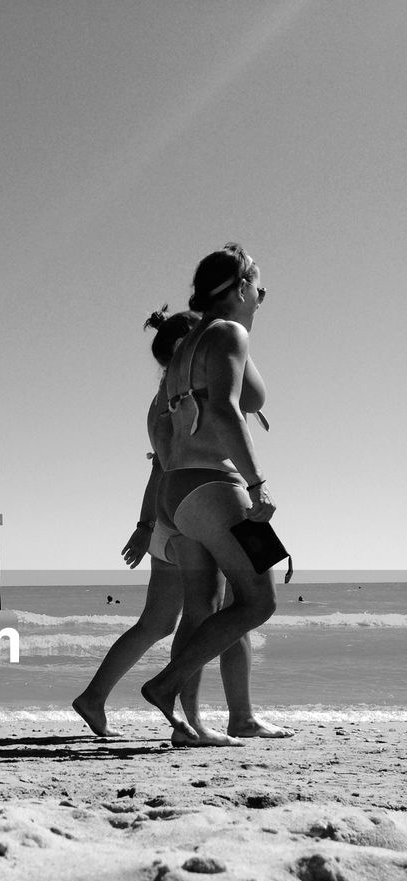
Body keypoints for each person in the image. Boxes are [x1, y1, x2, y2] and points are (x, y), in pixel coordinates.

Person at [73, 306, 291, 742]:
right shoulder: (198, 387)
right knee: (222, 608)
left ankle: (228, 715)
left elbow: (161, 469)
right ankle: (193, 717)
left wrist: (145, 524)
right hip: (213, 496)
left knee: (195, 615)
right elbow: (244, 402)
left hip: (174, 507)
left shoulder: (165, 399)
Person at [140, 243, 286, 739]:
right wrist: (257, 482)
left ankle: (196, 721)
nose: (261, 296)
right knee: (258, 601)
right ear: (240, 287)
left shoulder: (191, 342)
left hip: (181, 490)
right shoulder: (227, 332)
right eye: (258, 287)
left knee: (210, 605)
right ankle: (166, 687)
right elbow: (224, 410)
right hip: (216, 486)